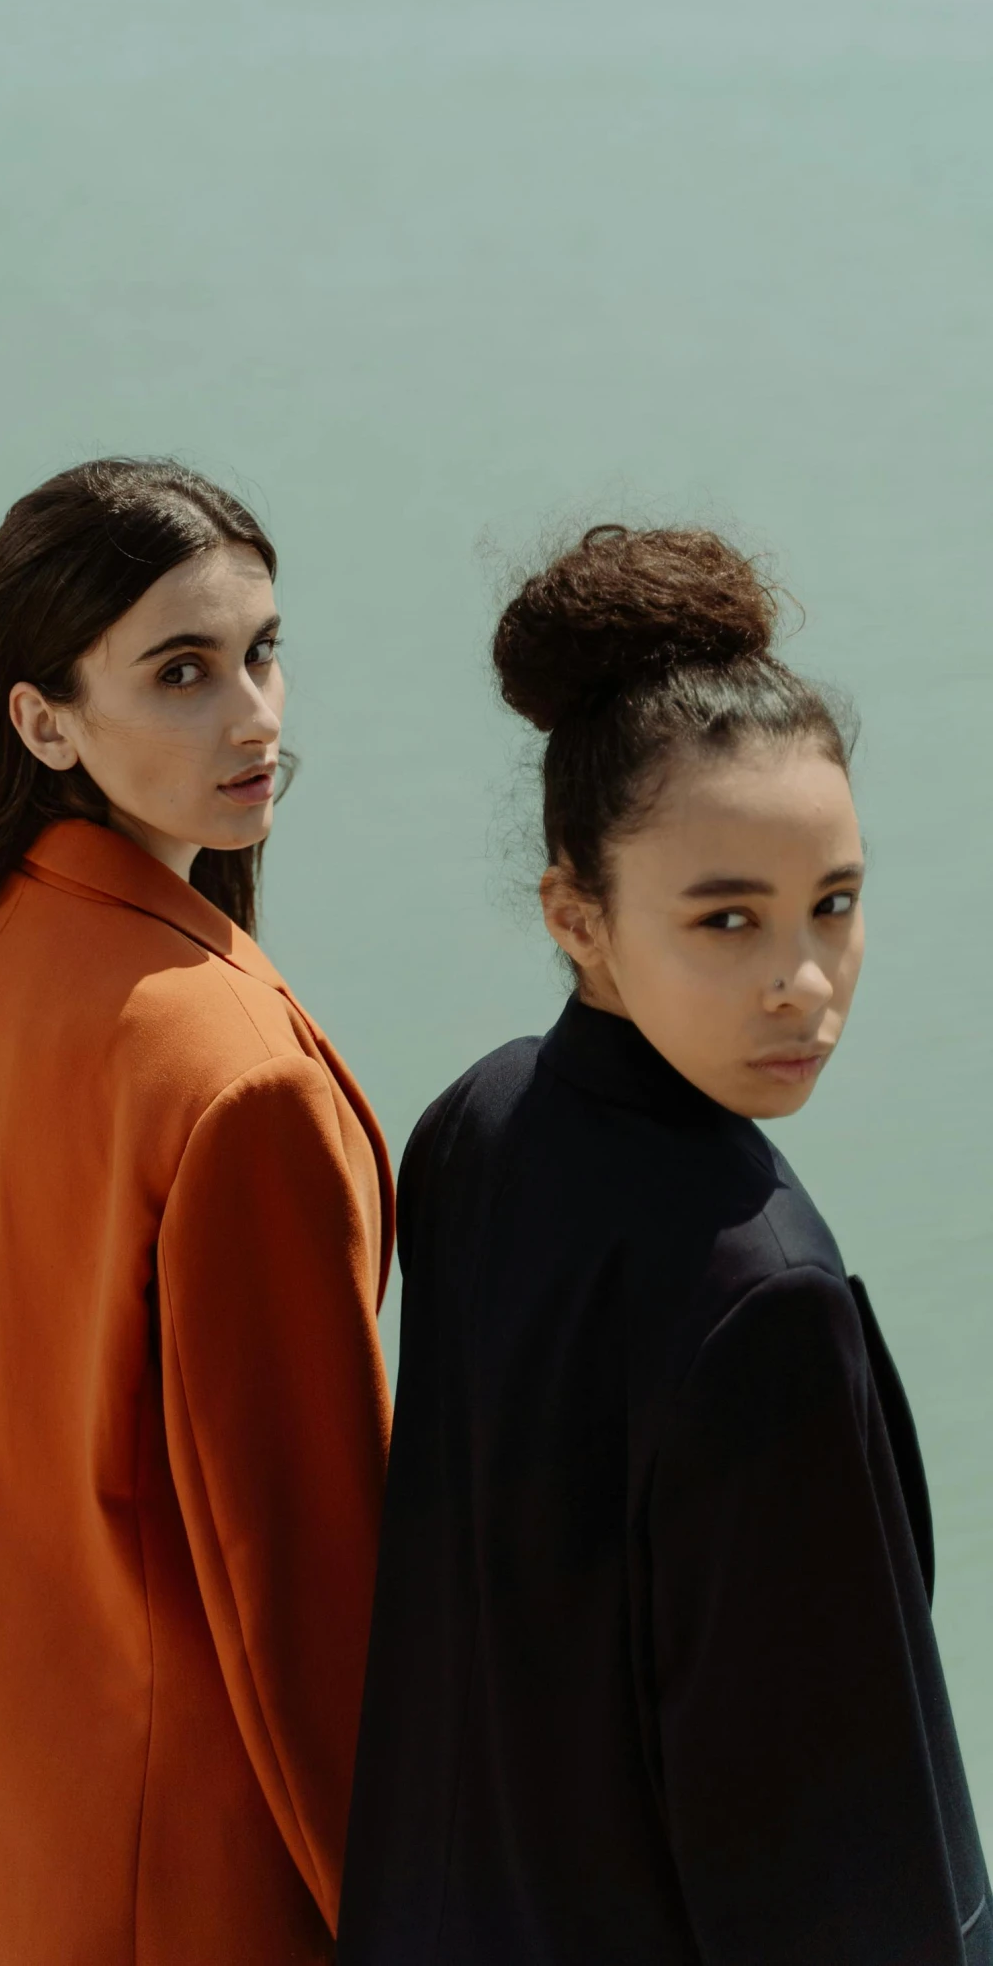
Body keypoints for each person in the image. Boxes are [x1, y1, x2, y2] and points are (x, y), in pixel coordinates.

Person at [339, 524, 989, 1966]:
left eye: (833, 903)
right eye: (725, 919)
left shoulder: (474, 1127)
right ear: (575, 914)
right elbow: (830, 1826)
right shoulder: (757, 1291)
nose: (801, 983)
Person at [0, 458, 395, 1966]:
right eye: (182, 672)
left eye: (261, 650)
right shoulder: (231, 1074)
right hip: (187, 1823)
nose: (253, 713)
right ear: (43, 718)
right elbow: (301, 1557)